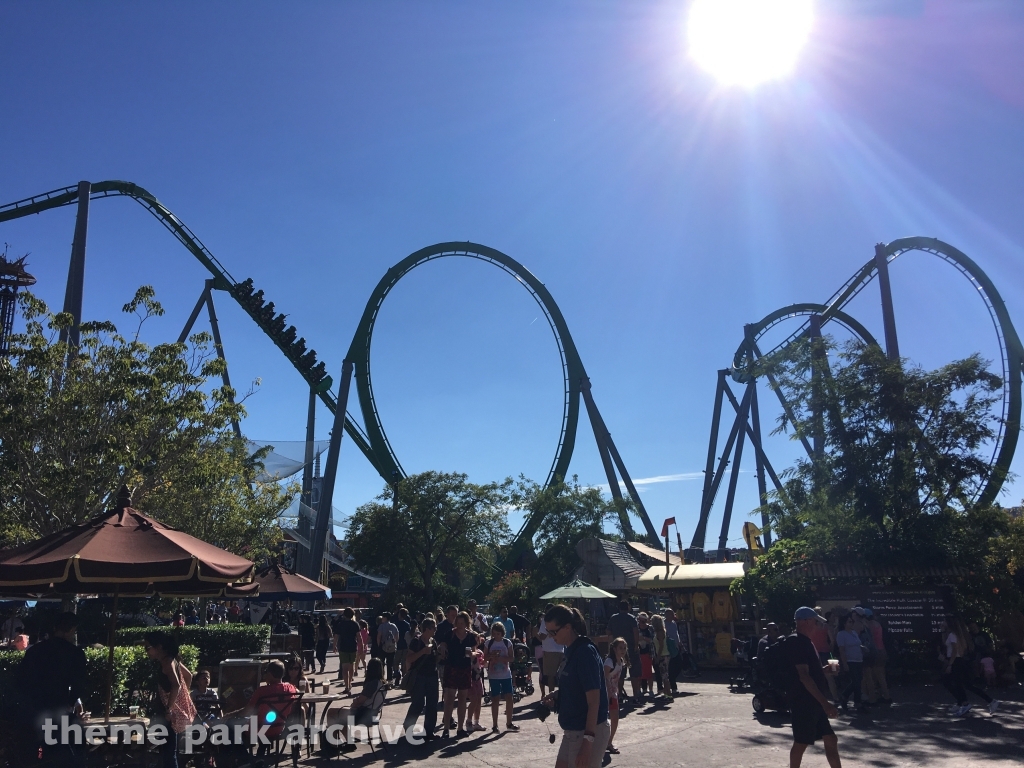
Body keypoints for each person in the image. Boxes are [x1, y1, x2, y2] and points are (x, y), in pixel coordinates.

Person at [542, 604, 610, 768]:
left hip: (587, 730)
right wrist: (558, 695)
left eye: (553, 632)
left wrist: (588, 742)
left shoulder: (585, 652)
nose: (551, 636)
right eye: (548, 632)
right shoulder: (570, 650)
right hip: (573, 731)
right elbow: (577, 686)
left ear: (567, 627)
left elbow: (594, 702)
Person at [18, 612, 88, 766]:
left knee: (34, 754)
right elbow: (79, 685)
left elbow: (21, 681)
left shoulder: (34, 651)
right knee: (65, 752)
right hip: (59, 709)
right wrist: (70, 703)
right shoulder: (75, 653)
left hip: (34, 710)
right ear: (71, 630)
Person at [785, 607, 842, 768]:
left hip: (813, 702)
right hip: (804, 702)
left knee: (831, 738)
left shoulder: (806, 642)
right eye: (816, 622)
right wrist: (825, 703)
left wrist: (825, 670)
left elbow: (810, 673)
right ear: (806, 621)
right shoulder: (796, 642)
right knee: (801, 743)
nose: (818, 626)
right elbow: (803, 676)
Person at [145, 630, 197, 768]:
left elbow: (176, 685)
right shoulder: (172, 659)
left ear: (159, 647)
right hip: (174, 710)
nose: (146, 651)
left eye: (148, 647)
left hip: (170, 712)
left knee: (169, 751)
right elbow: (189, 676)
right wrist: (183, 697)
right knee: (168, 749)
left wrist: (169, 707)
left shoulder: (167, 663)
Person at [323, 658, 385, 754]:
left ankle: (333, 745)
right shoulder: (382, 683)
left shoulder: (372, 683)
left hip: (363, 715)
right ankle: (348, 743)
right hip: (373, 713)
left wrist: (354, 702)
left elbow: (360, 700)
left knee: (332, 712)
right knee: (339, 716)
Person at [940, 618, 999, 716]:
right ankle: (988, 701)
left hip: (955, 661)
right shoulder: (953, 634)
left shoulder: (953, 635)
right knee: (965, 684)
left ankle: (964, 703)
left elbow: (955, 650)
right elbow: (946, 644)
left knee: (952, 682)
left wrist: (950, 664)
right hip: (958, 660)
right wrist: (942, 631)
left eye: (945, 621)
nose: (943, 622)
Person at [440, 611, 477, 738]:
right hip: (451, 668)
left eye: (462, 623)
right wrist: (443, 648)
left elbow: (474, 652)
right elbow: (442, 644)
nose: (460, 625)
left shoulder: (471, 636)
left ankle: (460, 728)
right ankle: (446, 728)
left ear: (467, 623)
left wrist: (473, 655)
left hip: (465, 669)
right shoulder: (450, 634)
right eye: (458, 622)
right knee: (449, 699)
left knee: (462, 699)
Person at [403, 617, 440, 742]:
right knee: (418, 703)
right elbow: (409, 658)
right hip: (419, 676)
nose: (435, 629)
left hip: (432, 676)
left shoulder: (433, 642)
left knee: (432, 704)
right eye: (433, 627)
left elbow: (436, 659)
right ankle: (408, 727)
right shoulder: (416, 641)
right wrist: (423, 651)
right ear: (427, 629)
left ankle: (429, 731)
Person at [485, 621, 517, 732]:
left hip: (505, 674)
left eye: (498, 634)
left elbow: (512, 658)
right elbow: (484, 658)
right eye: (494, 633)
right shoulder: (488, 643)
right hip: (493, 675)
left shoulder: (507, 643)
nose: (496, 636)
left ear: (502, 633)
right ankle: (495, 724)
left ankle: (509, 722)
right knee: (495, 699)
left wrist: (501, 659)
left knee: (509, 697)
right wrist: (491, 656)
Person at [606, 601, 640, 702]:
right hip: (630, 647)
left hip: (617, 648)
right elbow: (635, 632)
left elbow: (608, 632)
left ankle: (619, 695)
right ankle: (636, 696)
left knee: (620, 673)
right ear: (628, 607)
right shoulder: (631, 618)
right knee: (634, 673)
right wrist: (636, 645)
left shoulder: (613, 618)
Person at [835, 613, 865, 713]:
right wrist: (845, 663)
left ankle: (845, 696)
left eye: (852, 621)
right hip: (850, 660)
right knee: (856, 682)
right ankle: (858, 703)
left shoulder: (854, 632)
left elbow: (858, 644)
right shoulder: (841, 634)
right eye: (849, 621)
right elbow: (842, 650)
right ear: (844, 623)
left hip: (858, 659)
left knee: (858, 681)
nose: (851, 623)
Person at [860, 609, 890, 707]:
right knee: (881, 675)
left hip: (875, 651)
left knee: (870, 676)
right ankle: (886, 696)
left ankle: (872, 697)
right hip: (882, 649)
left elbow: (869, 638)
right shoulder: (877, 623)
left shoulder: (869, 625)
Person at [604, 638, 628, 755]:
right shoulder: (609, 661)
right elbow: (603, 677)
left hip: (614, 693)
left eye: (624, 648)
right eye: (620, 648)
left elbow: (617, 679)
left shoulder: (621, 661)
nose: (623, 650)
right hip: (606, 693)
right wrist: (608, 693)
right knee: (603, 720)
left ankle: (609, 742)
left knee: (615, 718)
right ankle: (601, 742)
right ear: (614, 649)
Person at [537, 609, 565, 697]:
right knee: (562, 674)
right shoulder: (560, 619)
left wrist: (536, 634)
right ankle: (562, 694)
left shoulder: (546, 620)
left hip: (550, 651)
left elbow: (543, 636)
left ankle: (551, 696)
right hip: (561, 649)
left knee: (551, 676)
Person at [467, 635, 486, 731]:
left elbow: (482, 664)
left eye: (477, 640)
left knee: (479, 700)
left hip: (478, 678)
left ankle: (476, 722)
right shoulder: (468, 652)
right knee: (473, 700)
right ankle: (469, 721)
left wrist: (485, 661)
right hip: (470, 679)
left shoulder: (480, 652)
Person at [651, 614, 672, 698]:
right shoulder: (660, 631)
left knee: (665, 676)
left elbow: (661, 645)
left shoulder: (660, 633)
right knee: (664, 676)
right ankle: (666, 694)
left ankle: (669, 695)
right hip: (664, 655)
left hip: (663, 655)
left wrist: (658, 656)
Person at [636, 612, 655, 698]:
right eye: (639, 621)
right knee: (639, 673)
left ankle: (651, 690)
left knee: (648, 673)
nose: (641, 623)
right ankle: (639, 690)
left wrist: (643, 638)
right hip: (638, 653)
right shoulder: (636, 628)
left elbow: (653, 640)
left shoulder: (650, 628)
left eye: (643, 621)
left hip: (648, 652)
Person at [664, 609, 682, 694]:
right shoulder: (663, 624)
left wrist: (679, 642)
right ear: (667, 615)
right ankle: (673, 687)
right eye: (671, 615)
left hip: (676, 647)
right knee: (670, 668)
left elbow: (676, 634)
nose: (673, 616)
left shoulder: (673, 623)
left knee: (679, 665)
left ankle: (672, 679)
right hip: (668, 648)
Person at [394, 608, 411, 687]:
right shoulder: (407, 624)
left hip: (398, 645)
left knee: (396, 662)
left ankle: (397, 674)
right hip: (405, 645)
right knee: (404, 663)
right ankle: (404, 679)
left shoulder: (396, 624)